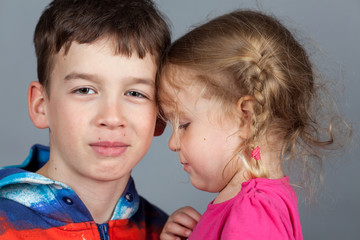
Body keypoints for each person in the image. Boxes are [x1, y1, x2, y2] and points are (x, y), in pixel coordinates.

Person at [157, 10, 351, 240]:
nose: (172, 144)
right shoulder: (252, 206)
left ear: (246, 117)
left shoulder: (254, 213)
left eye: (184, 124)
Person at [0, 0, 171, 239]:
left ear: (161, 114)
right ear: (41, 106)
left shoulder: (164, 231)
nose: (112, 118)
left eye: (135, 93)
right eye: (85, 90)